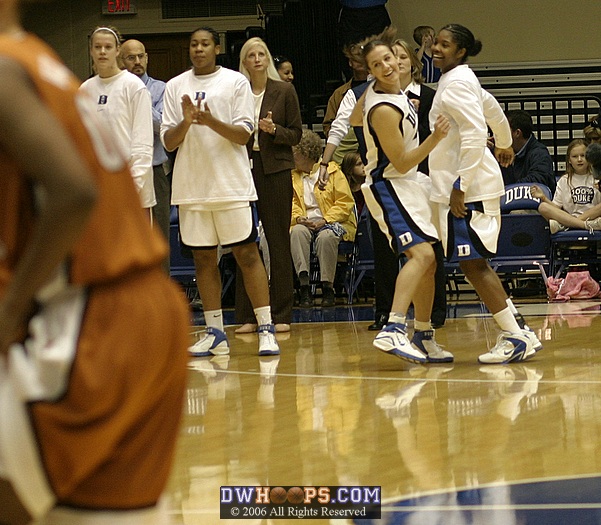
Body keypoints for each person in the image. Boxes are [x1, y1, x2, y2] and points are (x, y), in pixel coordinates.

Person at [0, 1, 189, 522]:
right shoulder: (45, 67)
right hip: (143, 312)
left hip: (93, 315)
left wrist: (11, 310)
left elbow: (73, 192)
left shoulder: (5, 68)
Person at [161, 27, 280, 357]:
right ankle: (214, 332)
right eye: (193, 44)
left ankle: (266, 327)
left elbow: (244, 135)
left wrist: (210, 121)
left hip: (231, 185)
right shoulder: (175, 86)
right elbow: (169, 142)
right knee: (203, 260)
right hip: (191, 188)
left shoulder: (235, 82)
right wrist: (187, 122)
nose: (198, 49)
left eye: (204, 44)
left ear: (216, 48)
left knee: (247, 254)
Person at [428, 23, 542, 364]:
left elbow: (477, 132)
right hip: (473, 186)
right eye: (435, 43)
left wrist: (459, 186)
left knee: (474, 265)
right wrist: (505, 142)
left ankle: (514, 336)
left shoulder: (455, 84)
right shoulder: (461, 78)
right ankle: (519, 331)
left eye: (445, 44)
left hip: (470, 189)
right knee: (473, 264)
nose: (436, 48)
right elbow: (492, 109)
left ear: (460, 51)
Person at [358, 37, 453, 364]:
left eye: (389, 58)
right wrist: (434, 138)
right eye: (377, 64)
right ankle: (394, 326)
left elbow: (356, 119)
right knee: (422, 254)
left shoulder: (394, 95)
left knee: (430, 263)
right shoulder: (383, 107)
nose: (387, 66)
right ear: (370, 72)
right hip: (390, 184)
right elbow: (400, 162)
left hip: (411, 185)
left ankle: (424, 335)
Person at [234, 37, 303, 333]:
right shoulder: (235, 92)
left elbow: (297, 134)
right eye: (251, 54)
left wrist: (274, 130)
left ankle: (282, 313)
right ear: (244, 61)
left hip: (274, 171)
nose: (258, 58)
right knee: (244, 242)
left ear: (269, 59)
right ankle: (248, 315)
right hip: (241, 171)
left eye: (262, 53)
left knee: (277, 240)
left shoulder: (284, 90)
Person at [79, 27, 155, 213]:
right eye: (97, 47)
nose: (103, 52)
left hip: (133, 194)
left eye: (108, 47)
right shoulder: (84, 90)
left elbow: (143, 144)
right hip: (99, 191)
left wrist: (131, 187)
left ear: (117, 50)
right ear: (91, 51)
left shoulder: (133, 86)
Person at [121, 39, 172, 273]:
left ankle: (161, 293)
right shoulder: (113, 88)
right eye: (131, 58)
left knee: (158, 234)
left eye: (141, 56)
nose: (137, 62)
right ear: (122, 60)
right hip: (120, 171)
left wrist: (138, 96)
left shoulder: (160, 89)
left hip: (154, 170)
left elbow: (162, 125)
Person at [290, 130, 357, 307]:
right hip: (305, 222)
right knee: (297, 232)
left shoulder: (334, 172)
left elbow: (345, 203)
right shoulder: (293, 176)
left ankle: (328, 287)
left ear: (307, 154)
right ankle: (304, 286)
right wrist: (298, 218)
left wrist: (325, 220)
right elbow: (291, 203)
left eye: (296, 155)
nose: (293, 158)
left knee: (326, 237)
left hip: (333, 221)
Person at [531, 138, 601, 232]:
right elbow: (556, 208)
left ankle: (566, 225)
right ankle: (584, 225)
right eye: (575, 156)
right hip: (572, 217)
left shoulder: (597, 178)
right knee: (543, 207)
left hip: (594, 219)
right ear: (569, 160)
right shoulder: (564, 180)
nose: (579, 159)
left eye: (583, 155)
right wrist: (543, 197)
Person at [322, 43, 370, 165]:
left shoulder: (385, 90)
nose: (361, 62)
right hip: (344, 155)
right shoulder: (341, 93)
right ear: (350, 62)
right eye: (356, 58)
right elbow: (330, 125)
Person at [501, 109, 557, 194]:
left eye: (504, 129)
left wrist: (505, 190)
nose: (500, 133)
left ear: (517, 133)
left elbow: (537, 181)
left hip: (533, 205)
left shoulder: (539, 153)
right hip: (509, 204)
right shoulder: (499, 150)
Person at [340, 150, 366, 218]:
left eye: (364, 162)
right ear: (350, 169)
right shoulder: (345, 190)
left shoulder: (369, 185)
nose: (363, 166)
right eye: (359, 164)